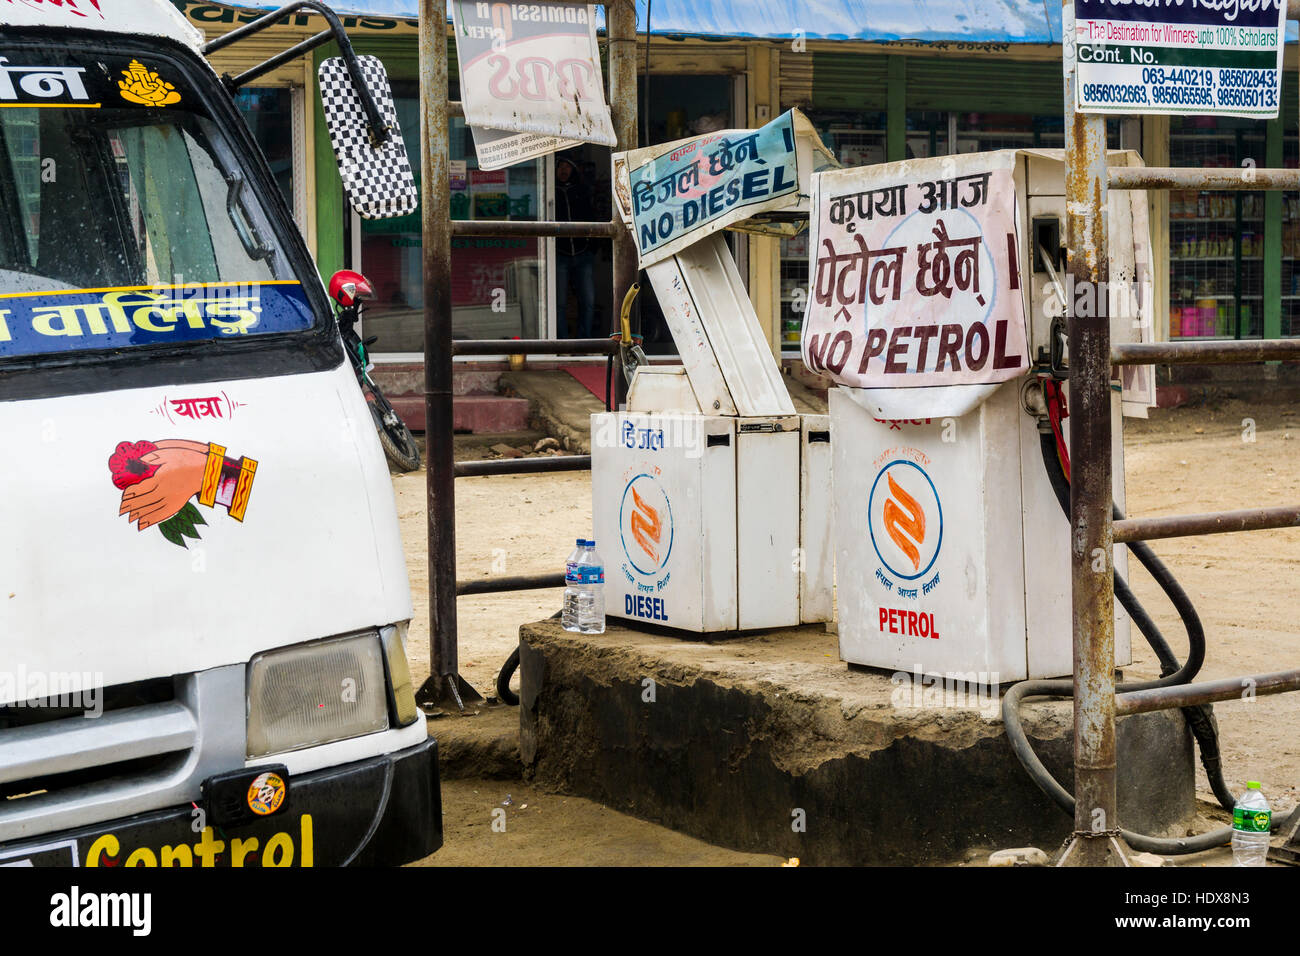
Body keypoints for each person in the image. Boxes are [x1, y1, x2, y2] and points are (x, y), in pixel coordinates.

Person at [554, 155, 597, 339]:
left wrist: (591, 246)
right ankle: (563, 343)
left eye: (567, 167)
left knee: (588, 301)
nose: (563, 170)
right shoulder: (550, 191)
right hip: (559, 254)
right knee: (559, 302)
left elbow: (593, 218)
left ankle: (584, 341)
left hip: (583, 254)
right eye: (560, 166)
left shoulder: (582, 191)